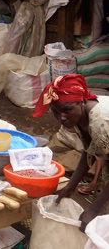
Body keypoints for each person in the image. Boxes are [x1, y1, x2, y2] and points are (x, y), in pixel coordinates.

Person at [33, 74, 109, 231]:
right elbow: (89, 151)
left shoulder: (100, 123)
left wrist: (94, 209)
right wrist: (70, 186)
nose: (61, 118)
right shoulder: (79, 117)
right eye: (55, 112)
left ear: (81, 102)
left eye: (66, 110)